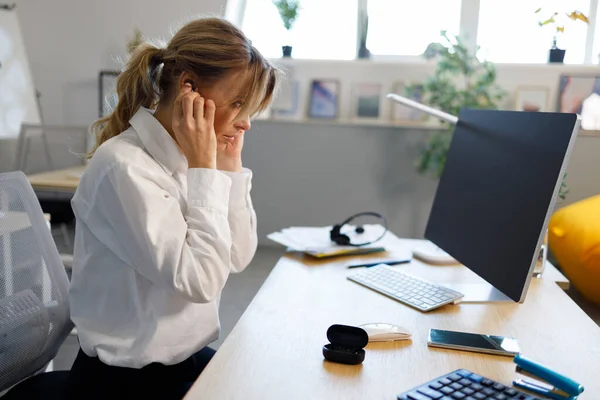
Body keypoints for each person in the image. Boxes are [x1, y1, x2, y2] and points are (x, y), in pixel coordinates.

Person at [65, 16, 279, 399]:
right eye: (238, 103)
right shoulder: (125, 167)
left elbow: (238, 256)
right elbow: (200, 281)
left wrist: (227, 168)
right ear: (189, 89)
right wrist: (204, 170)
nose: (246, 123)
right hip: (124, 382)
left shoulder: (185, 160)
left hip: (183, 360)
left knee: (272, 378)